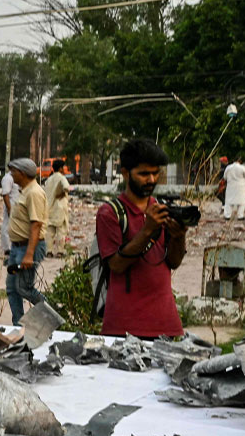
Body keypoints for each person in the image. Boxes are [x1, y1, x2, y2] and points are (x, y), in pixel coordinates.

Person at [95, 139, 187, 338]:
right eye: (144, 174)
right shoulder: (110, 213)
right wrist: (148, 230)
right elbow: (116, 265)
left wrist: (179, 236)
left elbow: (173, 262)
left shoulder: (162, 209)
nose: (152, 180)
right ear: (126, 173)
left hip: (165, 322)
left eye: (156, 173)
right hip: (124, 325)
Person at [4, 158, 47, 325]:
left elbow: (36, 224)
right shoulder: (26, 191)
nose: (11, 175)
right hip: (17, 248)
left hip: (28, 248)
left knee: (24, 288)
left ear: (22, 173)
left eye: (13, 172)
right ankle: (19, 326)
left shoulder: (34, 193)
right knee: (12, 289)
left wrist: (29, 254)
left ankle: (52, 312)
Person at [43, 159, 73, 256]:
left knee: (49, 232)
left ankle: (49, 251)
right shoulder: (61, 178)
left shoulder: (49, 179)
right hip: (60, 208)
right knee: (61, 231)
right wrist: (62, 192)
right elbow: (67, 187)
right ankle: (60, 251)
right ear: (60, 168)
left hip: (49, 208)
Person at [223, 155, 245, 220]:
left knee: (229, 201)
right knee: (241, 201)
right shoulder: (242, 167)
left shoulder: (228, 167)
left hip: (230, 186)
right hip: (241, 187)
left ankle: (227, 215)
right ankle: (240, 216)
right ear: (240, 161)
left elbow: (225, 177)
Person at [0, 168, 17, 253]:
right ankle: (6, 248)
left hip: (17, 206)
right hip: (11, 205)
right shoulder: (8, 178)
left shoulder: (16, 177)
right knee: (6, 226)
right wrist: (9, 208)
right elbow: (5, 194)